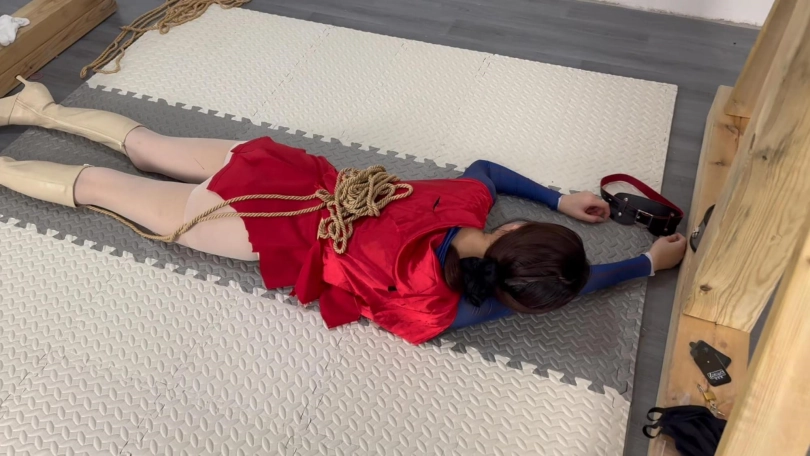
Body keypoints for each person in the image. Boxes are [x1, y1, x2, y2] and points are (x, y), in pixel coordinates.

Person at [0, 77, 687, 344]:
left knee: (150, 147)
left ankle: (39, 106)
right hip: (251, 231)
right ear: (512, 298)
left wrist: (558, 197)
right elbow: (553, 293)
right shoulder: (443, 308)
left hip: (284, 176)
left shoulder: (463, 201)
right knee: (101, 187)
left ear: (510, 228)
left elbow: (487, 169)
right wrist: (645, 265)